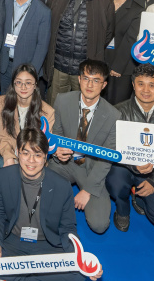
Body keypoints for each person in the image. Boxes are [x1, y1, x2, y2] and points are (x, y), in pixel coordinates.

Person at [0, 128, 99, 281]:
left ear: (46, 157)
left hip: (47, 244)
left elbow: (68, 227)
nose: (31, 160)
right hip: (13, 241)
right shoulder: (4, 177)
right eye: (25, 153)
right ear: (18, 153)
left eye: (37, 155)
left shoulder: (62, 185)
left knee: (77, 276)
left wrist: (77, 258)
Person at [48, 59, 120, 234]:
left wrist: (87, 190)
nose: (90, 84)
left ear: (104, 85)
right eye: (86, 78)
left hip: (92, 169)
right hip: (65, 164)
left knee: (99, 225)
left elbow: (106, 159)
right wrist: (57, 151)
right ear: (79, 79)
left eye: (96, 80)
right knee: (43, 200)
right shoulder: (62, 100)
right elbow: (56, 134)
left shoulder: (114, 115)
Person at [106, 64, 154, 233]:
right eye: (141, 84)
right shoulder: (118, 111)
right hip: (124, 168)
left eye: (152, 85)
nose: (146, 89)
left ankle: (138, 199)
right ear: (133, 85)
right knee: (116, 182)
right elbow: (110, 147)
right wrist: (132, 165)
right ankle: (122, 209)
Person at [44, 0, 115, 105]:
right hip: (58, 66)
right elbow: (48, 27)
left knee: (82, 109)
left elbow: (108, 33)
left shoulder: (104, 0)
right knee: (55, 107)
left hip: (86, 69)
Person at [0, 0, 51, 90]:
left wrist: (32, 72)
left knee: (24, 106)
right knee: (5, 103)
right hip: (5, 66)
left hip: (27, 68)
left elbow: (42, 45)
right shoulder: (4, 3)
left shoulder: (43, 11)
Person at [0, 64, 55, 168]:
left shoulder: (47, 111)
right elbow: (2, 136)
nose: (23, 87)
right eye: (19, 82)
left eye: (28, 83)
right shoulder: (2, 103)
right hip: (11, 151)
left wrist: (28, 159)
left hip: (34, 156)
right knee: (1, 166)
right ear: (14, 84)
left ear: (35, 84)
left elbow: (44, 145)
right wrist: (9, 158)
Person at [105, 0, 144, 105]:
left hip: (122, 66)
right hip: (102, 62)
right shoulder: (104, 2)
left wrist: (117, 66)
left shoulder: (137, 10)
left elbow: (130, 39)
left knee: (118, 106)